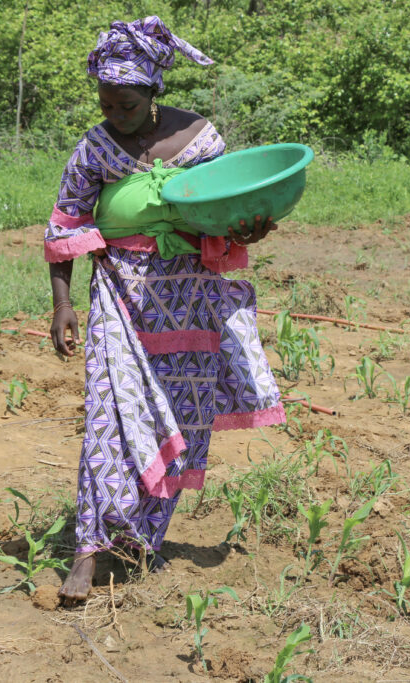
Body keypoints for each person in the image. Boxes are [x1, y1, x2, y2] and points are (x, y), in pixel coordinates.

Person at [45, 16, 284, 601]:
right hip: (120, 295)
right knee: (109, 410)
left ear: (153, 93)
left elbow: (229, 211)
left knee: (178, 418)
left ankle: (140, 538)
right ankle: (87, 549)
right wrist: (61, 304)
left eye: (124, 102)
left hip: (191, 299)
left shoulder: (202, 141)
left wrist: (250, 229)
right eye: (104, 100)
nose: (112, 112)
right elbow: (65, 223)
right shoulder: (94, 147)